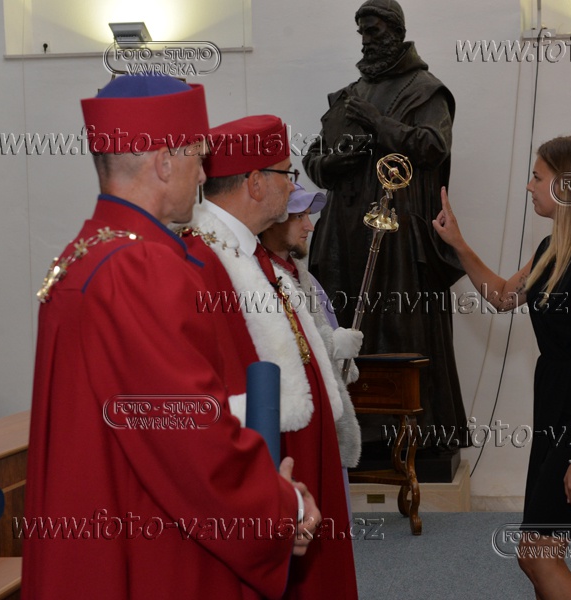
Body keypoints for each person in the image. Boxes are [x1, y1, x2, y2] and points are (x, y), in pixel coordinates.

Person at [23, 75, 319, 600]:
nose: (204, 174)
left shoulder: (84, 255)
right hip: (154, 541)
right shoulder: (141, 267)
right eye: (198, 158)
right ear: (163, 162)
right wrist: (282, 506)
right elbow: (191, 441)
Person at [432, 136, 571, 599]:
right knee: (540, 550)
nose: (529, 186)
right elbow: (503, 296)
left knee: (536, 554)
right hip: (558, 411)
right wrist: (458, 242)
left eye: (537, 177)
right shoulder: (554, 248)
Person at [181, 116, 358, 600]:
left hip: (302, 456)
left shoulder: (255, 255)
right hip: (275, 464)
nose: (293, 186)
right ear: (256, 182)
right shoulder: (204, 260)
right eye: (288, 174)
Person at [303, 0, 466, 450]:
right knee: (342, 324)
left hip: (397, 236)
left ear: (396, 32)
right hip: (342, 233)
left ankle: (409, 433)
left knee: (399, 325)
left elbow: (433, 146)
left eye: (373, 31)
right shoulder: (348, 94)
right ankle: (352, 431)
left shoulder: (426, 91)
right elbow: (314, 158)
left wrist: (377, 123)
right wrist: (332, 163)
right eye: (362, 33)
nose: (366, 41)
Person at [260, 183, 364, 514]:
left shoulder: (305, 278)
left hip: (325, 416)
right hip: (294, 426)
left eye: (309, 216)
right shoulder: (260, 278)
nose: (310, 226)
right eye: (299, 217)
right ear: (273, 220)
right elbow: (276, 345)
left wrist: (341, 353)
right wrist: (331, 344)